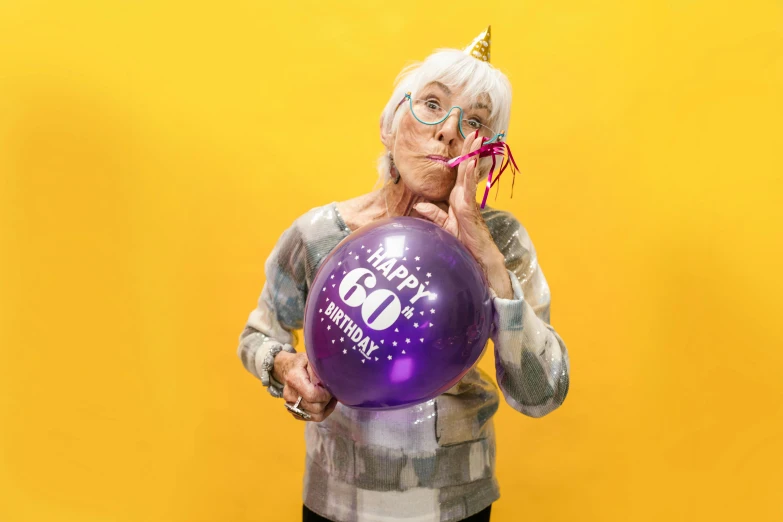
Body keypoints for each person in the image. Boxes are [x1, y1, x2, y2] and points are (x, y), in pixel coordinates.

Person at [237, 27, 571, 522]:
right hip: (339, 501)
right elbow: (257, 334)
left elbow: (541, 394)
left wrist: (490, 265)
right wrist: (285, 369)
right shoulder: (320, 233)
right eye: (433, 105)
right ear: (389, 125)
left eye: (474, 121)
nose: (449, 131)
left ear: (485, 155)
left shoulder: (501, 243)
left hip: (456, 504)